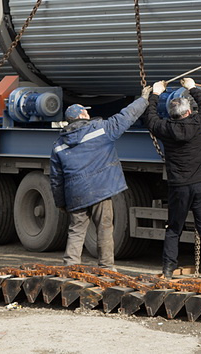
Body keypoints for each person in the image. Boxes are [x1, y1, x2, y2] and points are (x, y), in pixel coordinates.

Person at [49, 87, 150, 269]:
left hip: (76, 194)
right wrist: (144, 99)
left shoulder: (59, 145)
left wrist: (61, 203)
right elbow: (126, 116)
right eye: (86, 111)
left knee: (76, 231)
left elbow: (56, 179)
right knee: (104, 228)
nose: (88, 114)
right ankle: (106, 268)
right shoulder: (100, 131)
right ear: (81, 116)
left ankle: (70, 268)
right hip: (100, 191)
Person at [141, 77, 201, 280]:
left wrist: (155, 94)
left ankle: (168, 269)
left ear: (172, 115)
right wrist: (193, 88)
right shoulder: (199, 123)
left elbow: (150, 118)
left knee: (174, 228)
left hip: (179, 187)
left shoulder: (165, 129)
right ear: (189, 111)